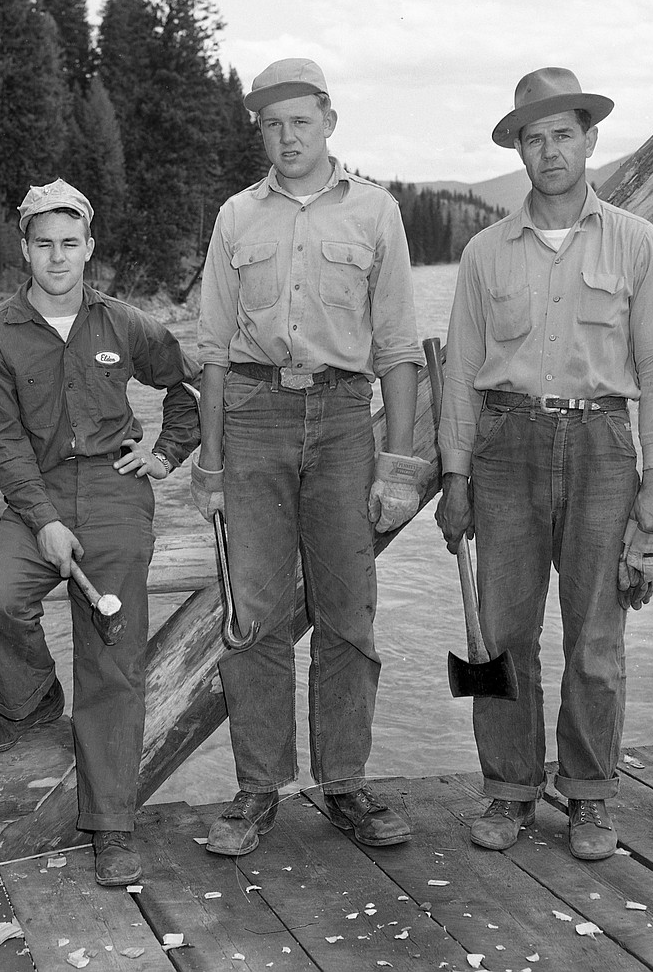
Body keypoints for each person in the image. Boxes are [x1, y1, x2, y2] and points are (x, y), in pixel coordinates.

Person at [435, 68, 653, 860]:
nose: (548, 151)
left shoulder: (637, 243)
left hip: (605, 450)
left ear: (590, 141)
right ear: (518, 148)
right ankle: (508, 790)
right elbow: (462, 369)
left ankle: (588, 796)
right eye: (532, 138)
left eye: (563, 134)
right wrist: (455, 476)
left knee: (596, 637)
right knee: (500, 636)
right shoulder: (482, 253)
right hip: (505, 448)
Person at [191, 58, 429, 857]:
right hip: (253, 416)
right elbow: (215, 354)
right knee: (252, 614)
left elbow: (398, 348)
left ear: (329, 119)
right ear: (258, 131)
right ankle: (257, 790)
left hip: (340, 420)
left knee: (348, 613)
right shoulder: (235, 217)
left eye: (299, 120)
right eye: (270, 123)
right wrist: (210, 466)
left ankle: (345, 786)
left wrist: (398, 467)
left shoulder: (376, 213)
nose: (286, 136)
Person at [0, 178, 200, 887]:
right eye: (45, 245)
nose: (58, 257)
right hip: (33, 491)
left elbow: (185, 390)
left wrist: (163, 453)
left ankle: (111, 826)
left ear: (89, 247)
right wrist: (43, 522)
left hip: (114, 490)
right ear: (26, 250)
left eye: (71, 244)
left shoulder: (126, 324)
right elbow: (3, 445)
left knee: (113, 655)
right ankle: (33, 698)